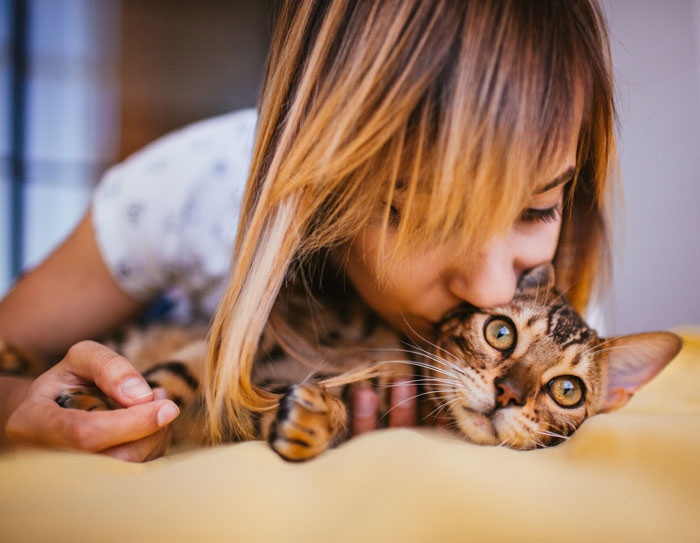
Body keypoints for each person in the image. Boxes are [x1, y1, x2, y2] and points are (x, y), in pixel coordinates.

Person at [0, 0, 615, 460]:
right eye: (424, 219)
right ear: (329, 177)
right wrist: (20, 406)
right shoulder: (192, 189)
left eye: (537, 210)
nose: (489, 288)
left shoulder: (559, 337)